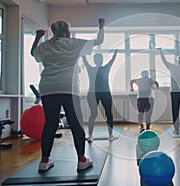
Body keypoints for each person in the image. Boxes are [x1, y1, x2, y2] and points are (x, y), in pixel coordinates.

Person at [30, 18, 105, 172]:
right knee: (76, 123)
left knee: (50, 124)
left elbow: (33, 53)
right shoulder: (74, 44)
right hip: (68, 88)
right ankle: (81, 160)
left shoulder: (46, 45)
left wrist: (38, 36)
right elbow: (99, 40)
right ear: (67, 32)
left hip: (48, 87)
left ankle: (44, 161)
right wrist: (101, 26)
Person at [82, 49, 118, 142]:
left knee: (94, 114)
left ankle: (91, 136)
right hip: (99, 93)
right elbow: (112, 60)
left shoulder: (91, 68)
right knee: (108, 114)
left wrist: (82, 53)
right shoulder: (105, 67)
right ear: (101, 61)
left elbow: (84, 60)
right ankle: (108, 135)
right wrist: (115, 52)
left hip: (96, 93)